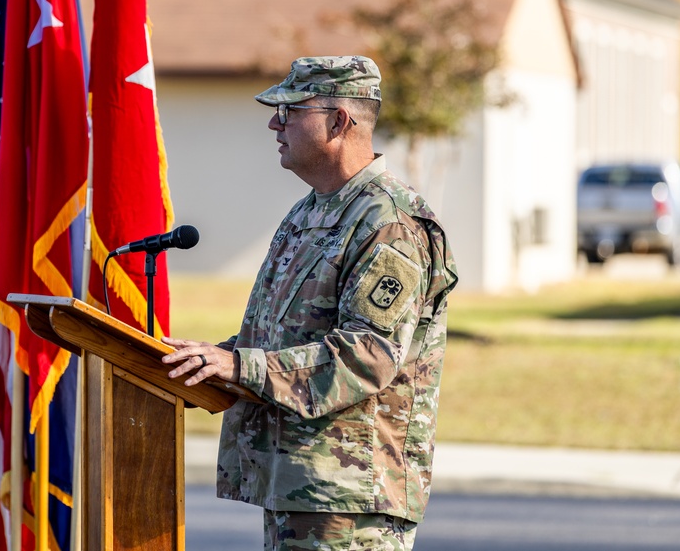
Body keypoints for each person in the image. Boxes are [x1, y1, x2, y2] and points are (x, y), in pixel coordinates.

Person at [162, 56, 458, 551]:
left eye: (291, 109)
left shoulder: (389, 222)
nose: (275, 122)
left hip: (350, 497)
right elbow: (281, 338)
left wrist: (242, 367)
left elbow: (367, 355)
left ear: (339, 121)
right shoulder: (310, 211)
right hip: (298, 484)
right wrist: (212, 360)